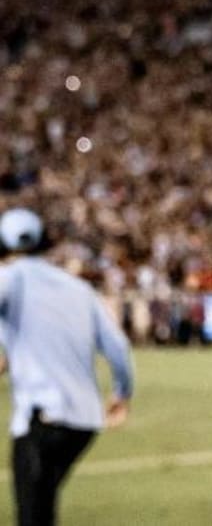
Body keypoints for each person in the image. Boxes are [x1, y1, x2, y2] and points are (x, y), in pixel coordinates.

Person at [0, 207, 134, 526]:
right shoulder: (78, 288)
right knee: (43, 507)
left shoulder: (11, 277)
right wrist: (121, 393)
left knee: (33, 514)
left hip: (43, 415)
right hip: (84, 422)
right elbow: (118, 347)